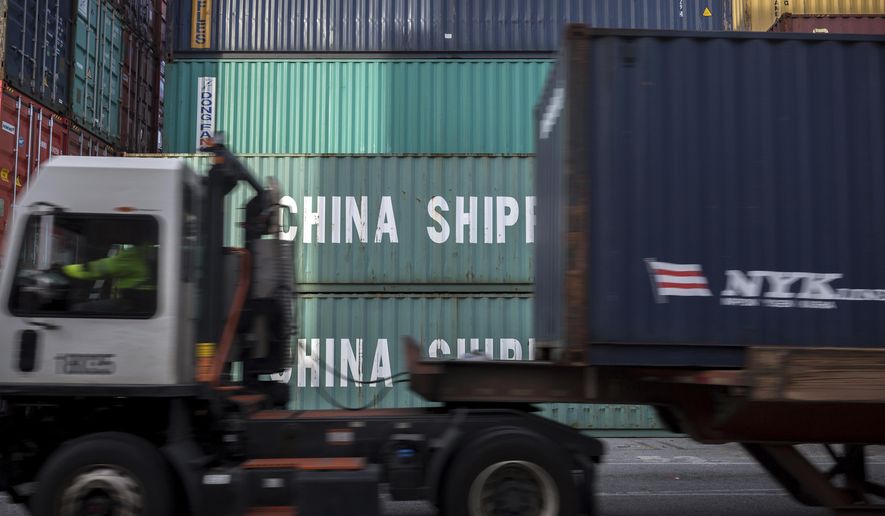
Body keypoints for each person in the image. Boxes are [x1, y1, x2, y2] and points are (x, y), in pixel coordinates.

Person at [61, 243, 156, 314]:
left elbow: (100, 269)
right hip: (150, 305)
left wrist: (65, 269)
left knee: (78, 309)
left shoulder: (136, 254)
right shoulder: (156, 252)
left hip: (135, 305)